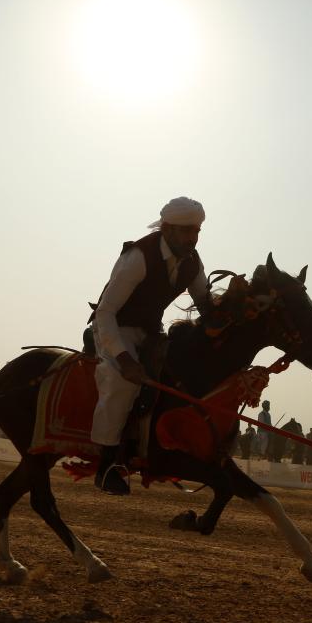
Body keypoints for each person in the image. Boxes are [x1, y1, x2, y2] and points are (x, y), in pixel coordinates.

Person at [89, 197, 210, 494]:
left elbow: (206, 304)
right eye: (186, 231)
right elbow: (105, 312)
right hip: (115, 328)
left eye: (196, 231)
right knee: (123, 382)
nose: (192, 238)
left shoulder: (192, 262)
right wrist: (124, 359)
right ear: (167, 228)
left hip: (152, 333)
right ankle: (106, 467)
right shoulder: (138, 257)